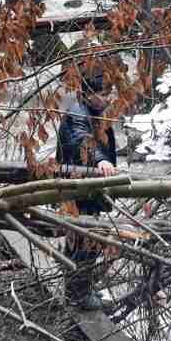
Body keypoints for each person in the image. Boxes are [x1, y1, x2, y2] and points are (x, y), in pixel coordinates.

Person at [56, 70, 119, 310]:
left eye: (109, 93)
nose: (108, 98)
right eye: (104, 93)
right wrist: (100, 160)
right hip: (78, 187)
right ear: (88, 93)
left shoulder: (93, 111)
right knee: (84, 239)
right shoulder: (77, 113)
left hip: (87, 186)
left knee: (86, 237)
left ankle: (82, 288)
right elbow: (83, 140)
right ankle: (77, 295)